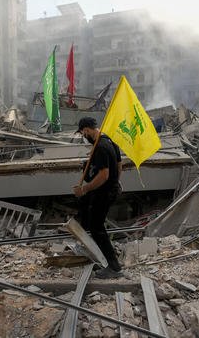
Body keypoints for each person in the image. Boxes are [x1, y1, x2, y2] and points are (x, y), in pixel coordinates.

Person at [73, 117, 123, 278]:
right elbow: (119, 165)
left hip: (104, 192)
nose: (83, 136)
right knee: (89, 220)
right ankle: (103, 260)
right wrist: (116, 182)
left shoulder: (100, 147)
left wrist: (85, 189)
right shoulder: (108, 140)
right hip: (109, 189)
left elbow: (104, 174)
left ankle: (113, 267)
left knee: (96, 228)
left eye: (82, 133)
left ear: (86, 130)